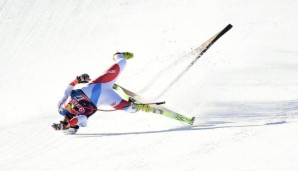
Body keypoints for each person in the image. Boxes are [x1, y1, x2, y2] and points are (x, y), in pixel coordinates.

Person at [52, 52, 151, 134]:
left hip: (99, 84)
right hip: (107, 97)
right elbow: (78, 119)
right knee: (131, 109)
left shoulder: (61, 109)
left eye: (64, 122)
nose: (65, 121)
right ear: (74, 125)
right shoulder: (81, 120)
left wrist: (77, 80)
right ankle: (141, 106)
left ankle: (117, 55)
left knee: (122, 61)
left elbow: (67, 91)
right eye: (69, 124)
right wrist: (67, 125)